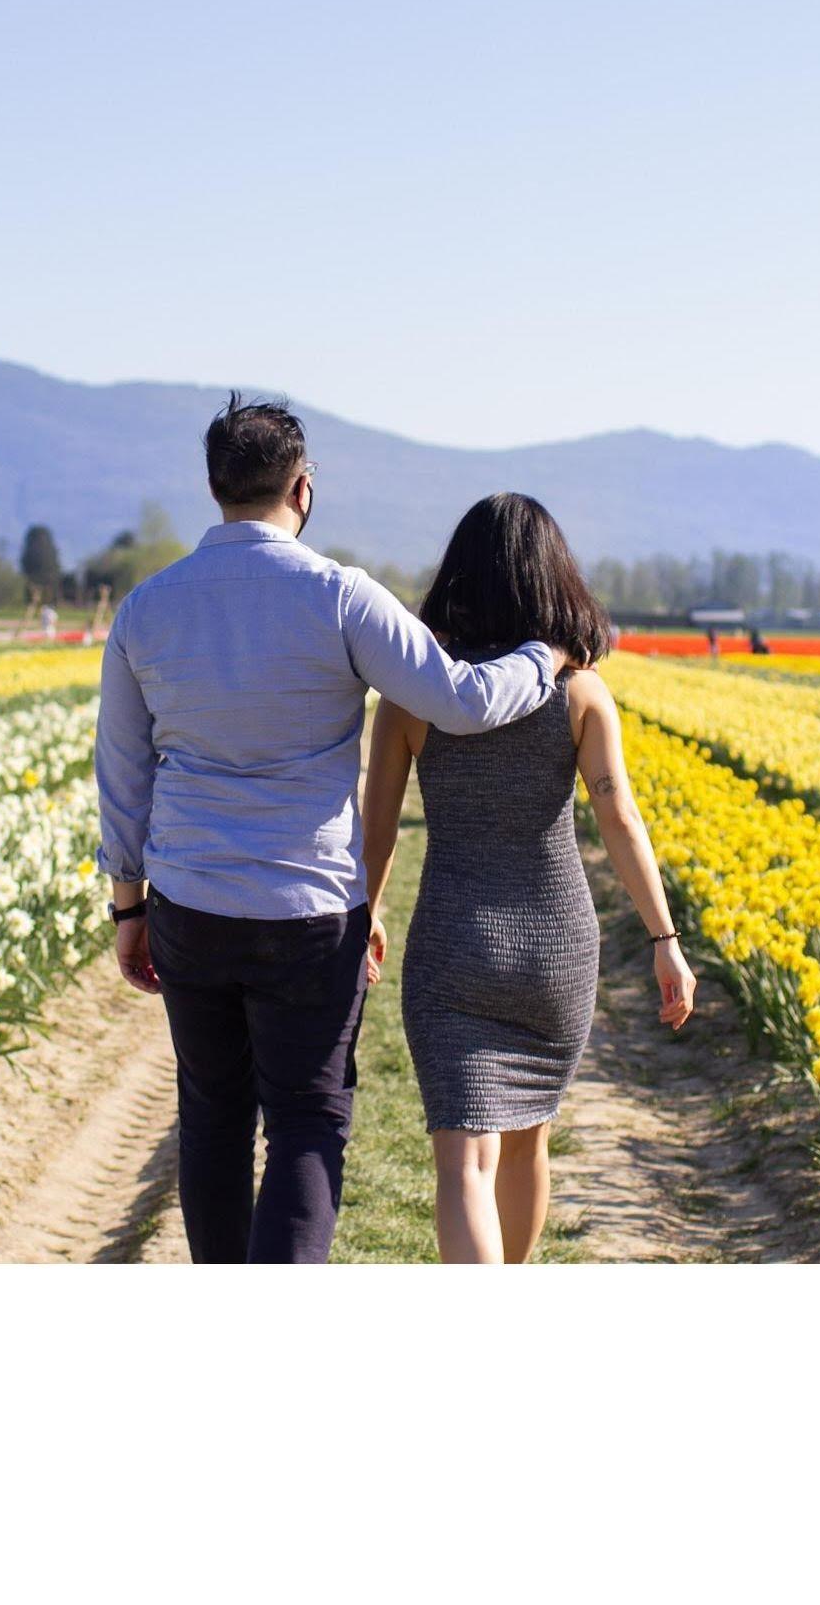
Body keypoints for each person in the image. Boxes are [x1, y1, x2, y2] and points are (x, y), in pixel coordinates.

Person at [95, 396, 567, 1264]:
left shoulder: (145, 610)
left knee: (211, 1116)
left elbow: (123, 778)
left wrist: (129, 908)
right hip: (308, 909)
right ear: (302, 489)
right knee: (307, 1123)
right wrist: (546, 654)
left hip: (190, 900)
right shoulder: (340, 597)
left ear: (214, 487)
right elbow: (461, 702)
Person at [362, 494, 698, 1265]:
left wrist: (366, 914)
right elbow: (619, 819)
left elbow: (376, 828)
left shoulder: (416, 698)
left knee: (463, 1163)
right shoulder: (582, 694)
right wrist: (665, 940)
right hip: (557, 950)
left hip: (454, 947)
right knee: (526, 1145)